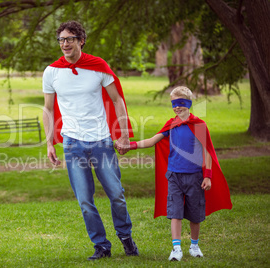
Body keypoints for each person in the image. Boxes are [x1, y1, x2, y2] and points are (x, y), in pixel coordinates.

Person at [42, 21, 139, 260]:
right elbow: (47, 109)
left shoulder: (98, 67)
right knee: (85, 200)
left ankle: (125, 237)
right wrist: (48, 143)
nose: (65, 44)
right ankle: (101, 246)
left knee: (116, 193)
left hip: (101, 141)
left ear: (81, 40)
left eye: (70, 39)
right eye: (61, 40)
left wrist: (124, 134)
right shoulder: (52, 72)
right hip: (72, 144)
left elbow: (117, 100)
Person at [116, 86, 232, 261]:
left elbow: (207, 151)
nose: (176, 107)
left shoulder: (199, 125)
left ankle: (194, 245)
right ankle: (176, 248)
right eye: (173, 104)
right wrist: (130, 145)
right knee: (175, 212)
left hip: (195, 177)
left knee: (195, 213)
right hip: (174, 176)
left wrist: (208, 175)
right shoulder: (171, 125)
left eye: (180, 103)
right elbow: (151, 141)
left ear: (189, 103)